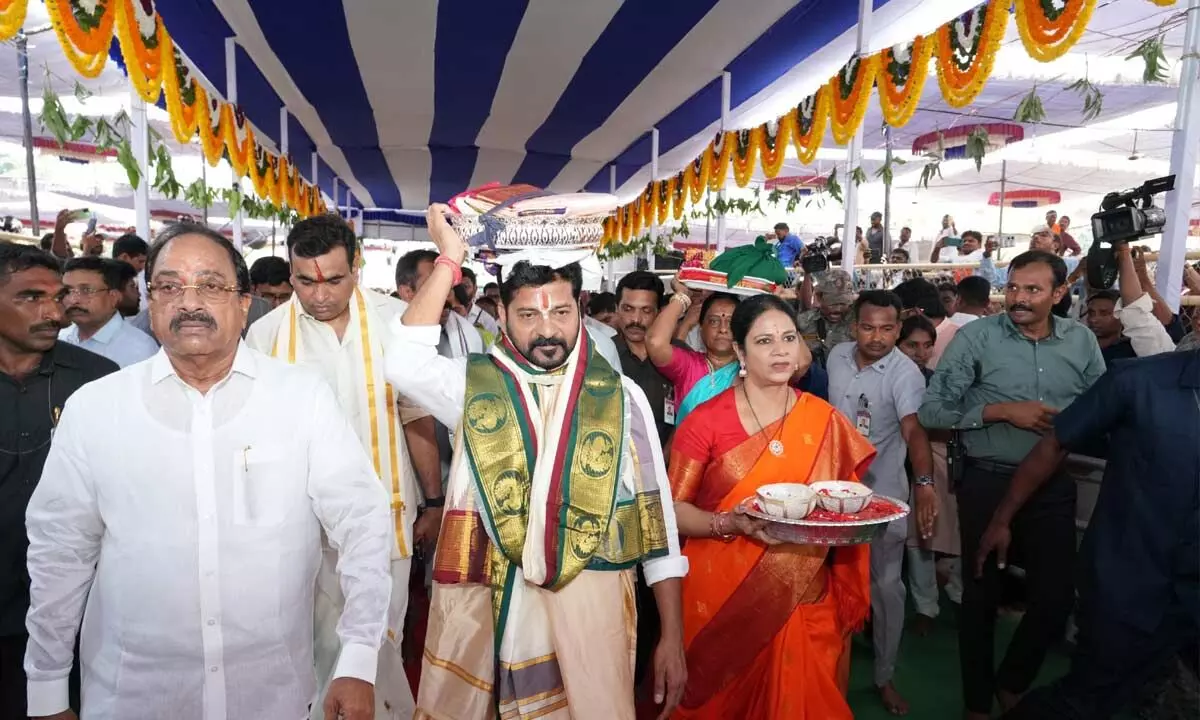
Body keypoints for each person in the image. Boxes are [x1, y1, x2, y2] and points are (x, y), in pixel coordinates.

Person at [24, 223, 393, 720]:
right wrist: (46, 686)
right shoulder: (97, 408)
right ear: (149, 300)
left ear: (244, 303)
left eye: (211, 286)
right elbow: (60, 552)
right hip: (133, 692)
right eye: (170, 286)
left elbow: (362, 522)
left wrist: (358, 659)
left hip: (271, 692)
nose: (189, 302)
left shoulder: (300, 398)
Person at [386, 206, 687, 720]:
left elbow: (657, 526)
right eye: (529, 315)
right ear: (501, 314)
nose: (547, 331)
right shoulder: (472, 385)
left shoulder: (621, 397)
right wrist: (449, 261)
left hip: (590, 607)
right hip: (490, 603)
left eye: (561, 313)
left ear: (583, 310)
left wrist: (674, 637)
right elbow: (403, 361)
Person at [246, 215, 442, 720]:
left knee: (381, 644)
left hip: (387, 516)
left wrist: (435, 501)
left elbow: (415, 416)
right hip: (299, 528)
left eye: (333, 279)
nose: (319, 295)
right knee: (311, 648)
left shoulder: (397, 320)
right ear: (290, 276)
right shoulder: (265, 336)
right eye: (305, 281)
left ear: (356, 266)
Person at [668, 293, 876, 719]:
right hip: (721, 596)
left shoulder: (824, 419)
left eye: (788, 337)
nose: (781, 350)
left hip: (804, 590)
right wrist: (729, 523)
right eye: (764, 341)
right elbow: (671, 510)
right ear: (740, 352)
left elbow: (843, 506)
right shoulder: (704, 422)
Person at [918, 250, 1107, 719]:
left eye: (1033, 290)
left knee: (1056, 598)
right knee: (981, 598)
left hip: (1052, 484)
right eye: (1014, 288)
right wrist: (1001, 411)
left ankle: (1013, 680)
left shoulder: (1081, 342)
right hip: (987, 480)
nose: (1019, 299)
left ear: (1059, 294)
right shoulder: (977, 338)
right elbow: (932, 411)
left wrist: (1078, 422)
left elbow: (1104, 406)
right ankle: (977, 704)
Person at [980, 349, 1199, 720]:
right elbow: (1055, 443)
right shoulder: (1138, 381)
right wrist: (1002, 518)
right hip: (1127, 584)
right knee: (1087, 699)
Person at [0, 245, 116, 720]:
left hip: (74, 612)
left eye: (58, 296)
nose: (54, 313)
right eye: (31, 297)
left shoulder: (98, 383)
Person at [826, 290, 937, 715]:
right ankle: (828, 668)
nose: (877, 337)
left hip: (881, 497)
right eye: (869, 327)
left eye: (888, 328)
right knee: (828, 586)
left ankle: (885, 675)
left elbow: (914, 432)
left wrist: (924, 483)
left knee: (886, 587)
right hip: (830, 494)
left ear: (898, 328)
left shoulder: (905, 375)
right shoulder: (836, 356)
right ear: (854, 326)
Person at [897, 316, 963, 640]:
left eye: (926, 346)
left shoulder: (937, 383)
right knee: (915, 543)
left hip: (927, 469)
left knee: (927, 534)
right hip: (892, 469)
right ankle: (925, 606)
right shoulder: (885, 377)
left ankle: (947, 599)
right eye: (912, 345)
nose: (920, 353)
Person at [647, 281, 740, 426]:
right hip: (687, 447)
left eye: (730, 322)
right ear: (701, 327)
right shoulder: (688, 365)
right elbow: (655, 343)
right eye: (714, 321)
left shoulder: (752, 368)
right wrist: (682, 296)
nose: (723, 329)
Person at [57, 256, 158, 368]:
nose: (73, 300)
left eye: (86, 290)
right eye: (67, 291)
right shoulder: (60, 338)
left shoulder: (140, 349)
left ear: (114, 297)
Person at [613, 271, 673, 442]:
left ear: (659, 312)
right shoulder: (602, 353)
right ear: (617, 309)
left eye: (646, 311)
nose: (636, 320)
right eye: (628, 309)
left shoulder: (677, 355)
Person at [796, 269, 855, 367]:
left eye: (842, 304)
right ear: (819, 299)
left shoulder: (857, 323)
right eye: (832, 304)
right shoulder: (805, 321)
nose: (838, 309)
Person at [1083, 290, 1136, 367]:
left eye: (1104, 313)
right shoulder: (1077, 346)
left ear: (1122, 316)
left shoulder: (1131, 354)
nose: (1093, 319)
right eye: (1091, 313)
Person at [459, 266, 500, 338]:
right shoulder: (445, 316)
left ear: (475, 289)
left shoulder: (486, 320)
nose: (461, 291)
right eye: (457, 287)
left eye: (465, 286)